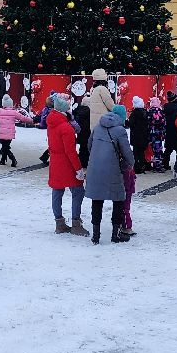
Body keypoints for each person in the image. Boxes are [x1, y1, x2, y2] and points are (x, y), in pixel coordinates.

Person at [84, 104, 132, 244]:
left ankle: (96, 236)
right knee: (118, 200)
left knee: (97, 201)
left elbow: (89, 145)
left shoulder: (98, 127)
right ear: (122, 117)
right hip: (112, 170)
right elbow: (127, 153)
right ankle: (115, 235)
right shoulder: (120, 130)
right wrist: (129, 164)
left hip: (95, 169)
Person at [46, 94, 88, 235]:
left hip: (55, 161)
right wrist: (78, 169)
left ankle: (59, 223)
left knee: (57, 191)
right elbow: (70, 152)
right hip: (66, 163)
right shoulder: (66, 128)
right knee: (78, 191)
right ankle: (76, 224)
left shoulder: (52, 122)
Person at [0, 101, 33, 168]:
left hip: (2, 133)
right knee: (5, 146)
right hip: (10, 134)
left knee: (5, 147)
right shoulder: (14, 113)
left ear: (3, 105)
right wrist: (32, 121)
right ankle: (3, 160)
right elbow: (23, 118)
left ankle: (12, 158)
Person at [127, 96, 150, 173]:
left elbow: (130, 123)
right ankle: (143, 165)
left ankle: (137, 167)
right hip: (144, 136)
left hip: (136, 137)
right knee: (142, 152)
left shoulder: (134, 113)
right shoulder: (145, 112)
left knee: (136, 153)